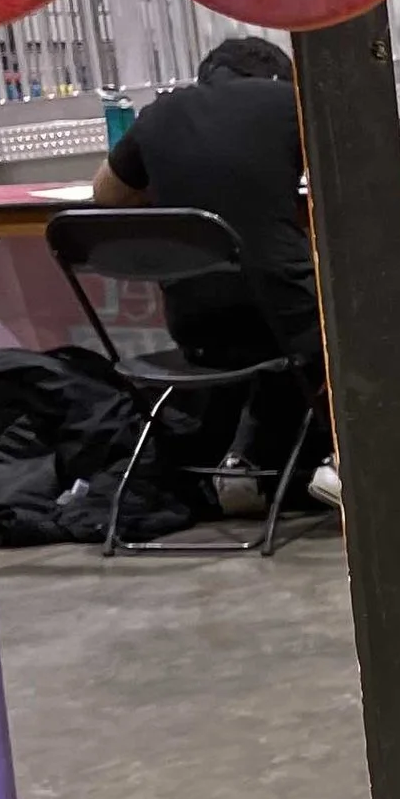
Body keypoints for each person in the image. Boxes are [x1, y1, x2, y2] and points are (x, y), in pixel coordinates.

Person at [87, 35, 335, 504]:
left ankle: (244, 465)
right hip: (288, 326)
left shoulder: (160, 112)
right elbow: (372, 175)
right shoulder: (292, 103)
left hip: (198, 332)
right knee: (365, 313)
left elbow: (106, 195)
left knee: (272, 323)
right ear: (280, 77)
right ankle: (340, 464)